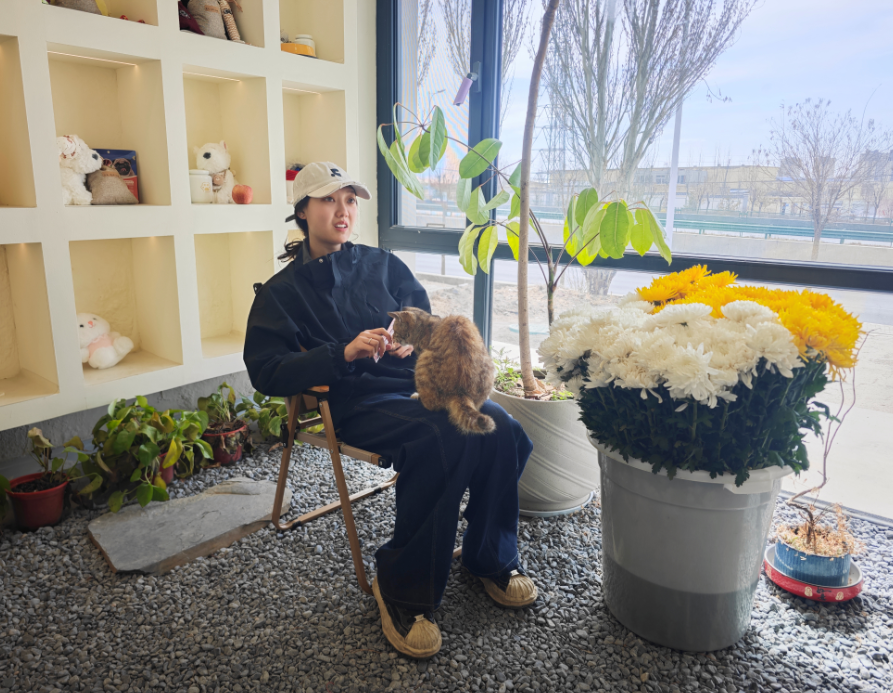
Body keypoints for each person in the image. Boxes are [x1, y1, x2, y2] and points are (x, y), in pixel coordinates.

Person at [243, 162, 536, 659]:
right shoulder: (281, 293)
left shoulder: (383, 264)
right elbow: (266, 370)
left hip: (418, 385)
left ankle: (490, 555)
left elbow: (426, 323)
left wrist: (413, 340)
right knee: (442, 437)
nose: (343, 211)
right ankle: (402, 590)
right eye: (329, 200)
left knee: (503, 427)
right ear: (302, 210)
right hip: (353, 401)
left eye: (350, 200)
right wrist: (343, 353)